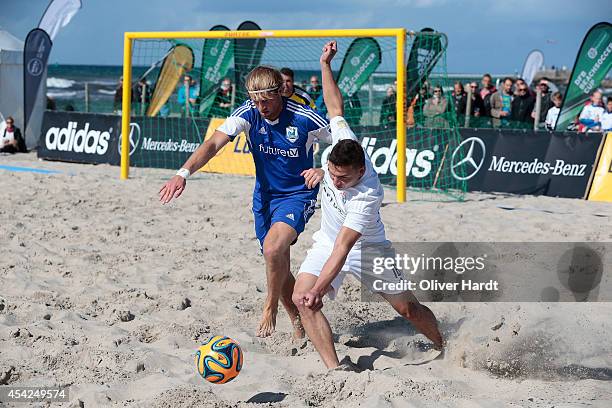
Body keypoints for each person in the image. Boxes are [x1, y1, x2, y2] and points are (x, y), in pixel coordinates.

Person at [292, 41, 443, 369]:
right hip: (326, 243)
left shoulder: (367, 194)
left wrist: (320, 287)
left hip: (368, 251)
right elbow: (335, 108)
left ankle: (445, 341)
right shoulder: (344, 143)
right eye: (331, 173)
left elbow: (344, 250)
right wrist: (325, 65)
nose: (336, 181)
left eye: (343, 178)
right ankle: (336, 371)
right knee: (301, 299)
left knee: (407, 310)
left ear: (360, 171)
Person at [159, 65, 329, 338]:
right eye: (256, 101)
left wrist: (324, 168)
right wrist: (182, 173)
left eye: (266, 101)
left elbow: (346, 145)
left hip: (297, 194)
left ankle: (269, 307)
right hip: (263, 197)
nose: (261, 107)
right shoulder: (247, 113)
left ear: (280, 93)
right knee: (277, 260)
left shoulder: (303, 116)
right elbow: (213, 144)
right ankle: (297, 319)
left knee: (273, 250)